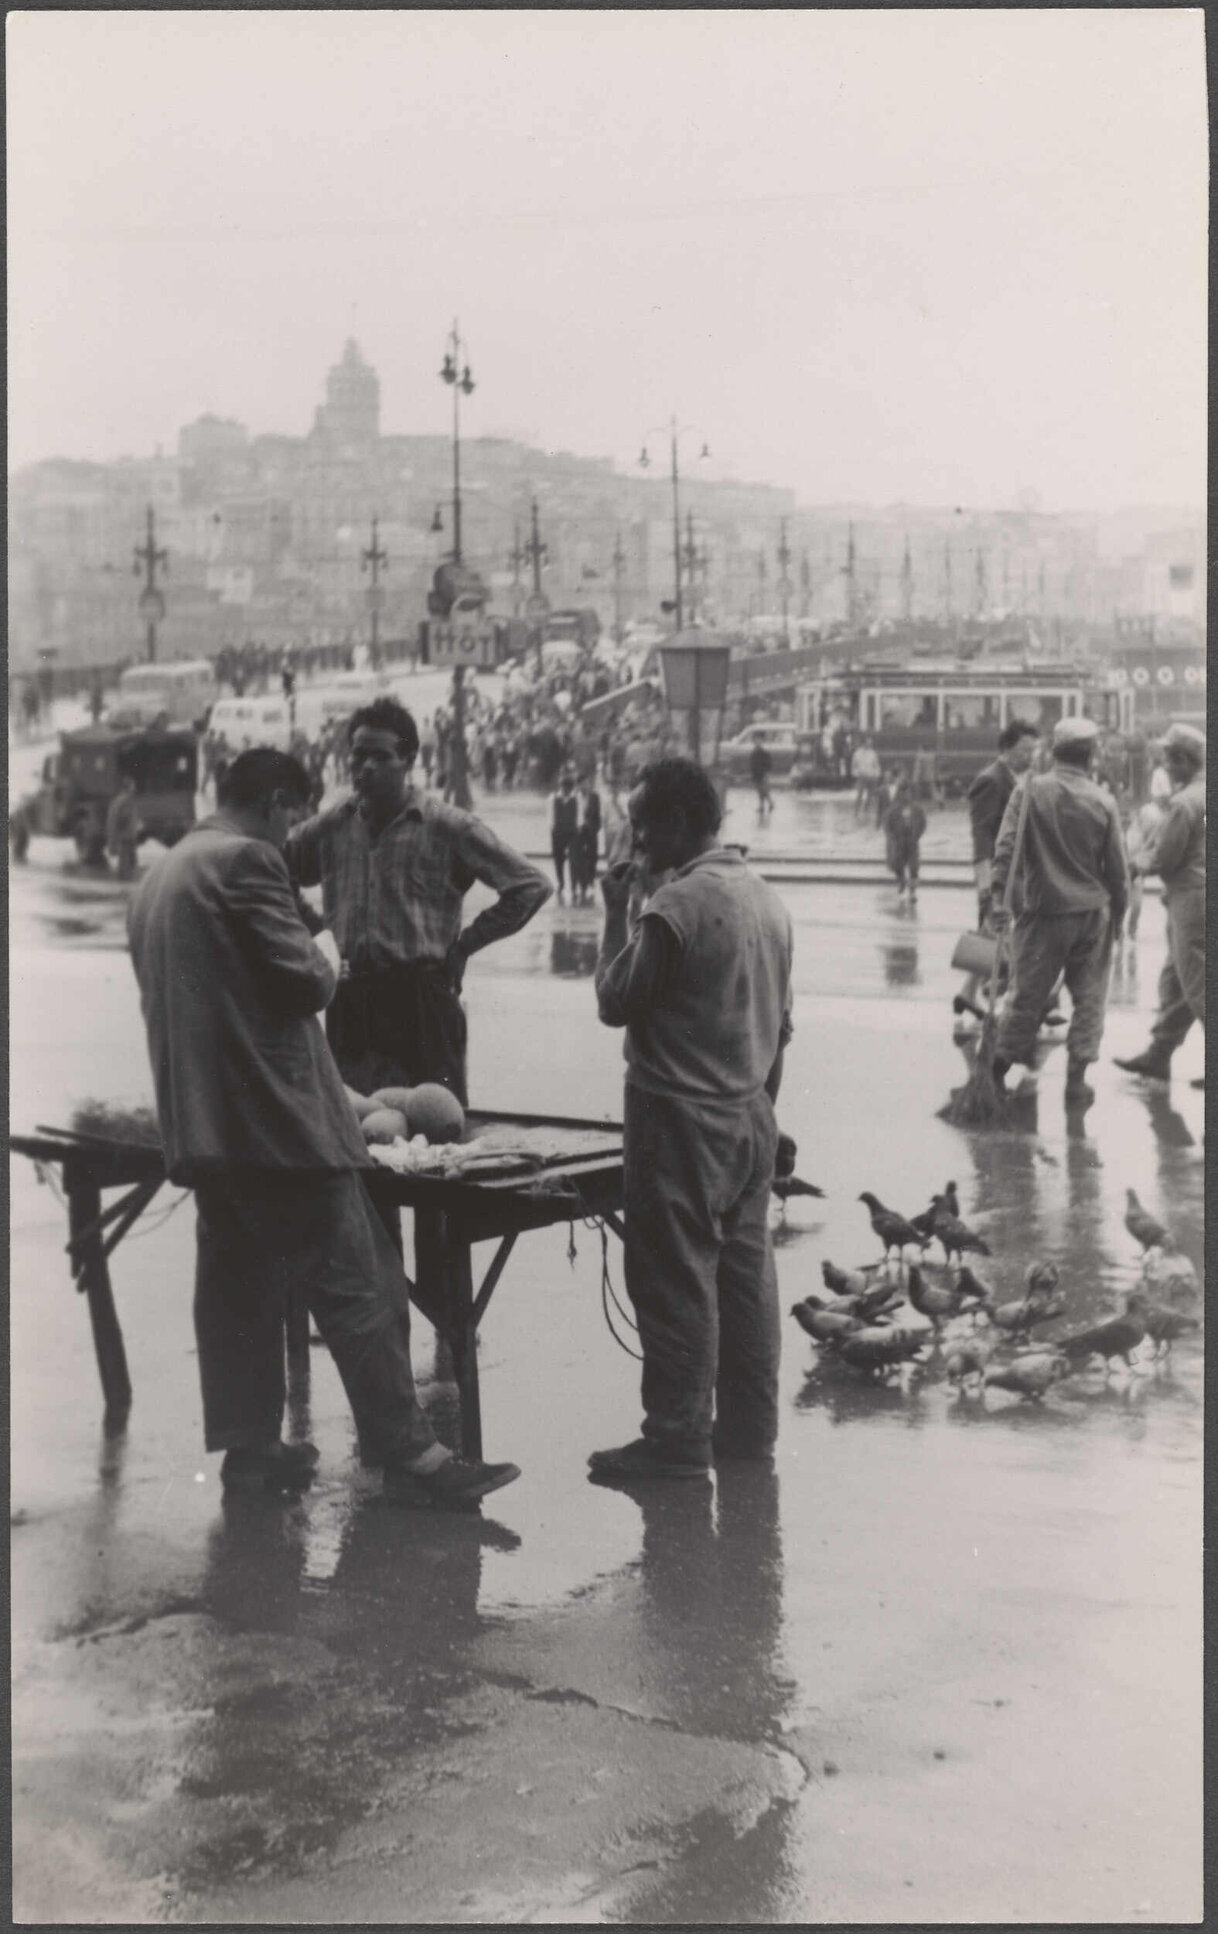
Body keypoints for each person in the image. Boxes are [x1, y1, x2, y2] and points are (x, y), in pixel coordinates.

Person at [126, 747, 519, 1507]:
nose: (290, 835)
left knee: (238, 1288)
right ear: (276, 803)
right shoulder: (245, 861)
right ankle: (415, 1459)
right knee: (362, 1279)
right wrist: (326, 952)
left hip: (205, 1128)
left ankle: (251, 1451)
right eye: (291, 817)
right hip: (280, 1128)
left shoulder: (163, 873)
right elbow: (303, 978)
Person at [590, 757, 793, 1482]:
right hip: (749, 1114)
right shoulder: (765, 899)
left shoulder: (675, 906)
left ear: (678, 824)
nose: (636, 841)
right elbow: (782, 1028)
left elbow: (616, 1000)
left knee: (676, 1278)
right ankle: (748, 1431)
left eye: (643, 826)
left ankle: (675, 1437)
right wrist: (766, 1109)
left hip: (680, 1119)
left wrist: (616, 911)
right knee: (744, 1282)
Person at [286, 697, 552, 1105]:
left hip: (422, 1002)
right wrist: (319, 935)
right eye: (358, 757)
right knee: (355, 1128)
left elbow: (529, 885)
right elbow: (273, 873)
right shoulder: (332, 825)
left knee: (435, 1133)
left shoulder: (447, 826)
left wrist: (465, 946)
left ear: (409, 759)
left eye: (381, 756)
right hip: (352, 1003)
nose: (366, 768)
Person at [990, 717, 1128, 1103]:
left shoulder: (1029, 791)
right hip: (1091, 914)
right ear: (1091, 755)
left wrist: (998, 900)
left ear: (1053, 751)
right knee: (1089, 999)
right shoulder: (1103, 801)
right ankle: (1075, 1080)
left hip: (1043, 912)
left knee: (1027, 995)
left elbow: (1005, 850)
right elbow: (1117, 872)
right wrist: (1120, 915)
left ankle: (997, 1072)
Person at [1112, 723, 1205, 1089]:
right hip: (1196, 896)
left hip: (1192, 899)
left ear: (1183, 760)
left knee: (1197, 983)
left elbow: (1166, 857)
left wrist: (1134, 865)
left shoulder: (1185, 803)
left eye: (1167, 756)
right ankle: (1159, 1054)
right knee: (1178, 980)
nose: (1163, 762)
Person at [955, 720, 1041, 1025]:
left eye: (1033, 749)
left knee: (994, 934)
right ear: (1006, 748)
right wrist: (985, 881)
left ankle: (969, 993)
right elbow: (981, 835)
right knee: (1026, 934)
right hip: (1002, 875)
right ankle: (1021, 1001)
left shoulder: (1017, 778)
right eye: (1024, 750)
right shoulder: (991, 780)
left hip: (1016, 872)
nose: (1030, 755)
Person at [1121, 764, 1171, 941]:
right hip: (1139, 858)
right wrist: (1136, 857)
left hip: (1155, 858)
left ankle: (1131, 929)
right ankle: (1121, 929)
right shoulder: (1148, 812)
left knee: (1137, 903)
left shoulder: (1173, 811)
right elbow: (1136, 835)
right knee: (1131, 900)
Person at [881, 778, 927, 901]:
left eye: (908, 792)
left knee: (914, 867)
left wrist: (917, 835)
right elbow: (887, 826)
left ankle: (912, 892)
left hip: (912, 842)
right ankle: (901, 880)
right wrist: (892, 838)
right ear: (899, 794)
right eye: (903, 792)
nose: (906, 795)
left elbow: (923, 823)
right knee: (897, 865)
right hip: (899, 842)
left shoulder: (917, 810)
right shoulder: (893, 810)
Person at [549, 764, 579, 904]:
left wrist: (577, 828)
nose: (567, 791)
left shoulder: (576, 799)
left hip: (572, 832)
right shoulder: (553, 798)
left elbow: (579, 816)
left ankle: (573, 885)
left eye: (569, 788)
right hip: (558, 832)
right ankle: (561, 882)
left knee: (574, 860)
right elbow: (550, 816)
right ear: (562, 787)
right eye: (565, 788)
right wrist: (552, 830)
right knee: (558, 859)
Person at [571, 771, 602, 906]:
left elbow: (598, 816)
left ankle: (590, 882)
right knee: (578, 859)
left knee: (592, 857)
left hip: (591, 832)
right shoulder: (574, 797)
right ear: (578, 785)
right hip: (577, 832)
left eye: (587, 783)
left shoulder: (595, 797)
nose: (585, 786)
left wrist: (595, 829)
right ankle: (580, 885)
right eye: (582, 783)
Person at [105, 773, 140, 881]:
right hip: (128, 835)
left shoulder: (117, 800)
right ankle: (126, 881)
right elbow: (124, 817)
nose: (134, 787)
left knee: (125, 858)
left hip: (122, 835)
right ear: (129, 787)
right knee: (128, 859)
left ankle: (124, 878)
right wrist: (129, 828)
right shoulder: (127, 800)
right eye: (133, 785)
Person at [851, 736, 880, 820]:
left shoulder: (873, 753)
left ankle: (866, 810)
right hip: (862, 776)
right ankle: (856, 812)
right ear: (864, 743)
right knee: (859, 795)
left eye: (870, 742)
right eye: (868, 742)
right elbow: (853, 766)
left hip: (871, 777)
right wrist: (857, 774)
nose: (869, 744)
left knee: (870, 795)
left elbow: (877, 765)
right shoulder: (857, 753)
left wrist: (876, 774)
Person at [749, 738, 774, 818]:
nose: (757, 744)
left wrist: (767, 773)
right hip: (757, 775)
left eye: (759, 743)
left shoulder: (764, 754)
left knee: (764, 791)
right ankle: (763, 806)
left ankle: (770, 804)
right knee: (760, 792)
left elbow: (769, 764)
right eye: (756, 743)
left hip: (763, 775)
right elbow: (752, 766)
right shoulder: (753, 754)